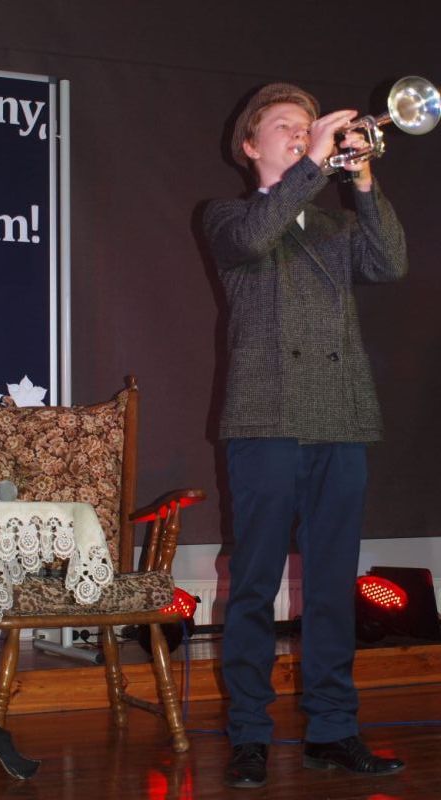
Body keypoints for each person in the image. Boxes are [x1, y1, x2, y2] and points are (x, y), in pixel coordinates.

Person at [203, 83, 408, 789]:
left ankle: (332, 729)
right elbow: (256, 237)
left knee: (330, 587)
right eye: (286, 126)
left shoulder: (333, 225)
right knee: (254, 585)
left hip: (339, 417)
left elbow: (389, 263)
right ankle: (248, 735)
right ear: (249, 145)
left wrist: (363, 178)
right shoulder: (227, 216)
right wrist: (314, 163)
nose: (301, 132)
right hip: (265, 417)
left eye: (308, 125)